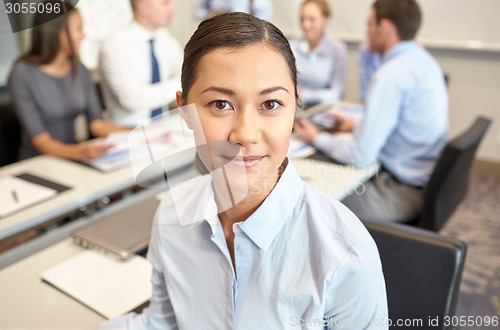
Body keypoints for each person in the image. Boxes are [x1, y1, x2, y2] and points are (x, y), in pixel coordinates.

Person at [98, 12, 387, 329]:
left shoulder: (344, 254)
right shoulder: (172, 216)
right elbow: (163, 323)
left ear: (295, 107)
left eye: (271, 104)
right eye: (220, 104)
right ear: (185, 111)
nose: (245, 133)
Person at [294, 0, 448, 223]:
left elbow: (360, 156)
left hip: (400, 192)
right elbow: (401, 123)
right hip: (421, 180)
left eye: (369, 25)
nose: (366, 33)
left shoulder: (391, 75)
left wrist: (316, 137)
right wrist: (355, 126)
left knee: (316, 198)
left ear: (384, 28)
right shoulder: (423, 61)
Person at [8, 1, 124, 161]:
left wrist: (140, 133)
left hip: (73, 156)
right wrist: (81, 152)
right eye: (78, 29)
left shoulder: (80, 69)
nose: (83, 36)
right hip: (38, 162)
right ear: (57, 32)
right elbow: (41, 141)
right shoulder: (22, 73)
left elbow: (97, 125)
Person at [99, 0, 182, 127]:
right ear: (143, 7)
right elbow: (132, 100)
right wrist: (181, 83)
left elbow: (187, 77)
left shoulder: (168, 41)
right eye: (165, 3)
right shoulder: (114, 46)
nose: (173, 9)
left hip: (164, 128)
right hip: (127, 132)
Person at [290, 0, 347, 108]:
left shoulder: (337, 49)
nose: (305, 25)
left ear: (325, 20)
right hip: (295, 108)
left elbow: (337, 93)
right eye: (302, 19)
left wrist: (304, 95)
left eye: (312, 19)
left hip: (323, 111)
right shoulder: (292, 46)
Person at [194, 0, 273, 21]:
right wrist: (208, 15)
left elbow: (264, 20)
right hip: (215, 33)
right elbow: (196, 12)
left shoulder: (261, 2)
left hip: (245, 36)